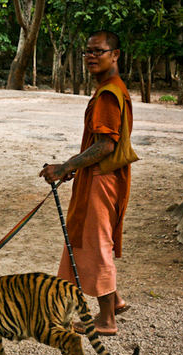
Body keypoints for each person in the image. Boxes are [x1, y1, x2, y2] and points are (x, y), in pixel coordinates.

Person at [40, 30, 134, 336]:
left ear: (115, 55)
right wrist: (74, 170)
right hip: (97, 175)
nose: (91, 56)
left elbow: (106, 145)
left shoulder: (109, 93)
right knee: (89, 237)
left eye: (99, 51)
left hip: (101, 179)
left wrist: (66, 166)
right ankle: (115, 300)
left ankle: (106, 320)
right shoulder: (111, 88)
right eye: (87, 52)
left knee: (96, 243)